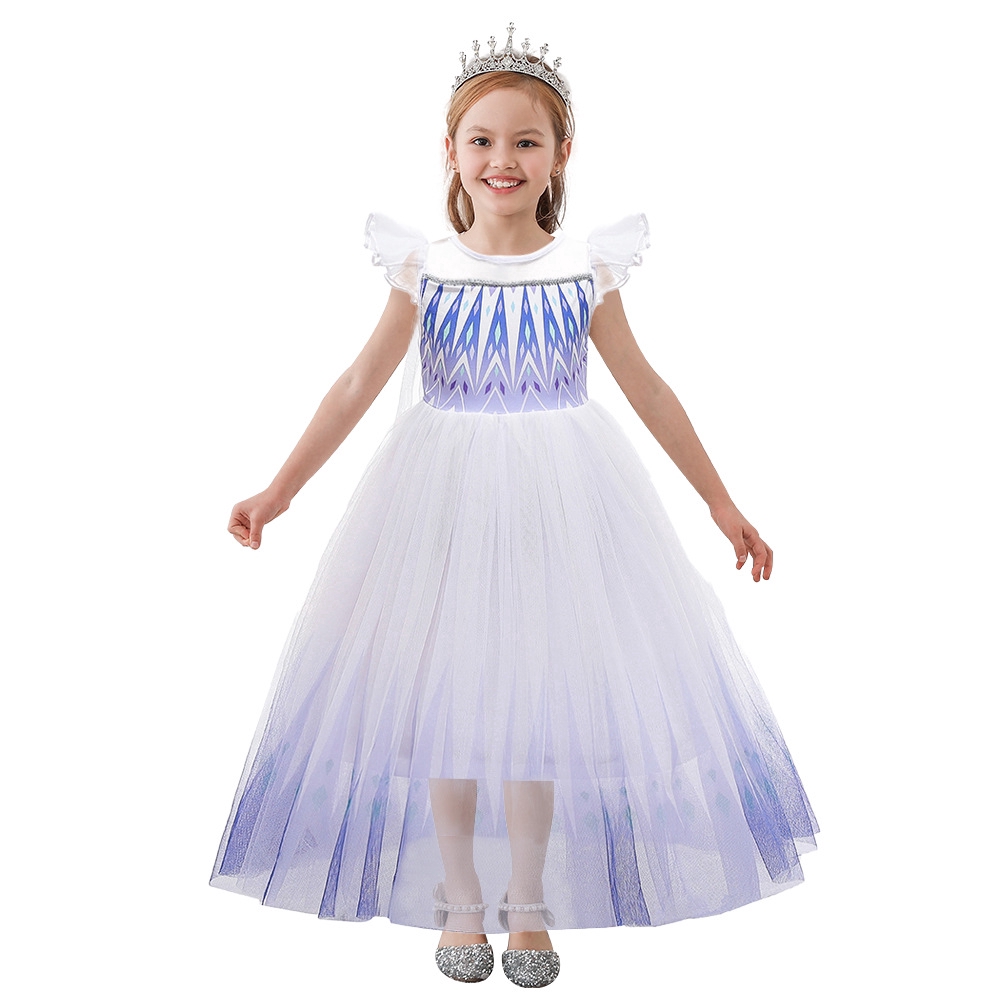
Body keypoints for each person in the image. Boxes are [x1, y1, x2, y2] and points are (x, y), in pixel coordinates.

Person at [209, 23, 819, 990]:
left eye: (526, 141)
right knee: (448, 702)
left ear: (561, 154)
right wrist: (278, 490)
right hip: (440, 505)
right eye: (483, 140)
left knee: (537, 706)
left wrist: (721, 502)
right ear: (450, 152)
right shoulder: (423, 269)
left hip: (559, 507)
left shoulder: (585, 269)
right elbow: (358, 384)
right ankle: (460, 897)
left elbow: (648, 389)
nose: (503, 159)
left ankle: (527, 903)